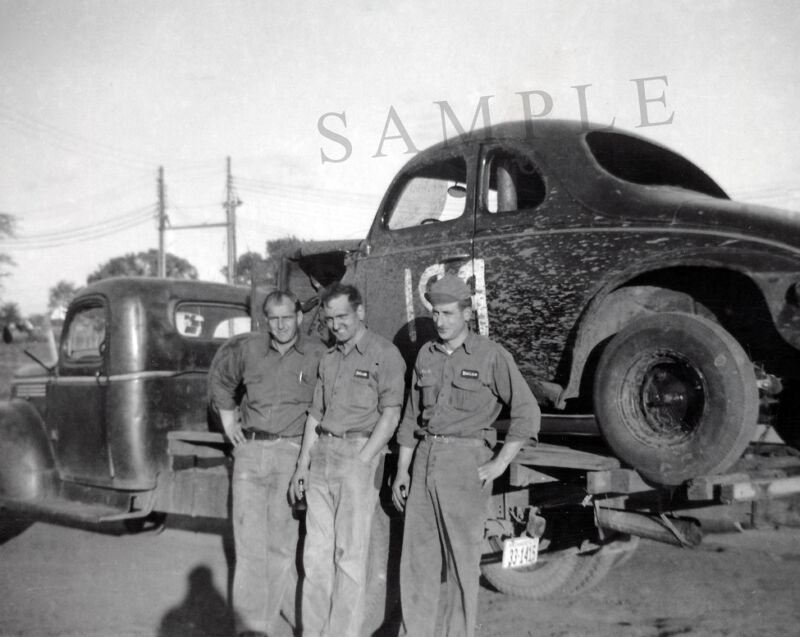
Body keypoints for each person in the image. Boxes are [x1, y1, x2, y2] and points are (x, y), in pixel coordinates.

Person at [391, 273, 540, 637]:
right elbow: (412, 417)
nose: (440, 321)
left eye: (447, 314)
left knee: (461, 563)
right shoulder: (426, 355)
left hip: (465, 462)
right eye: (436, 314)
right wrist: (402, 471)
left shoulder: (490, 356)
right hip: (425, 456)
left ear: (467, 313)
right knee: (417, 562)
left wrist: (499, 463)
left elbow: (527, 413)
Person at [208, 290, 326, 637]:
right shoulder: (249, 350)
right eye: (273, 319)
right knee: (248, 550)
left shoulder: (317, 353)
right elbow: (221, 381)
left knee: (279, 549)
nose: (281, 325)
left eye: (287, 318)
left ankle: (264, 627)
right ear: (266, 320)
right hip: (251, 453)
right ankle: (247, 629)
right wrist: (229, 422)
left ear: (299, 317)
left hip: (289, 454)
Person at [290, 282, 405, 637]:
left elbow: (391, 413)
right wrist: (302, 465)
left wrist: (364, 457)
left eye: (342, 317)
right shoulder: (329, 358)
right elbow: (315, 414)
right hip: (323, 454)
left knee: (350, 560)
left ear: (360, 312)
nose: (336, 325)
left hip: (358, 457)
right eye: (329, 319)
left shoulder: (383, 354)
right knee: (315, 558)